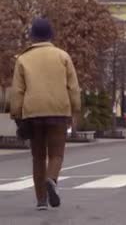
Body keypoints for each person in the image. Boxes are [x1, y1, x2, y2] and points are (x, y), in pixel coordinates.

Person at [10, 18, 81, 210]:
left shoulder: (23, 59)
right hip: (58, 111)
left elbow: (17, 91)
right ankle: (51, 180)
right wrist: (75, 108)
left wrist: (16, 114)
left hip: (33, 113)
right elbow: (73, 87)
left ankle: (41, 200)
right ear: (51, 36)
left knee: (38, 157)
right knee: (56, 154)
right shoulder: (62, 56)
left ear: (32, 36)